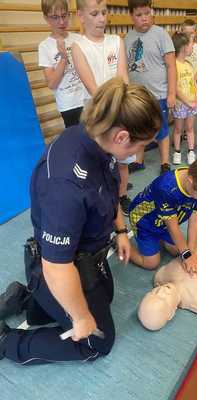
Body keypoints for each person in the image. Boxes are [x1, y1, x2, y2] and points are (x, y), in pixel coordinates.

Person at [0, 77, 162, 365]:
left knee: (106, 298)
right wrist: (81, 317)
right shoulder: (66, 185)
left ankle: (26, 301)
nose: (138, 154)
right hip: (55, 267)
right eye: (140, 146)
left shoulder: (99, 140)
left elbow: (111, 193)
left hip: (87, 256)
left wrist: (121, 230)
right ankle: (8, 341)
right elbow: (56, 266)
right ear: (122, 136)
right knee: (96, 342)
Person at [72, 0, 132, 216]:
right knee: (99, 165)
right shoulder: (78, 47)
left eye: (104, 13)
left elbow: (123, 78)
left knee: (122, 162)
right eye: (94, 13)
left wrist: (124, 112)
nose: (101, 18)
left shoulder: (116, 41)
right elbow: (94, 90)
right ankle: (101, 205)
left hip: (120, 114)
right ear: (81, 15)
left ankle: (122, 196)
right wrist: (111, 114)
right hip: (98, 117)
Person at [128, 153, 197, 273]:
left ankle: (162, 240)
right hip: (144, 221)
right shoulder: (166, 188)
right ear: (190, 181)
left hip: (164, 222)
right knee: (151, 263)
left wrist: (191, 252)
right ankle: (121, 244)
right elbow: (173, 227)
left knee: (178, 250)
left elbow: (195, 218)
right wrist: (186, 255)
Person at [125, 0, 176, 175]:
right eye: (139, 15)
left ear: (152, 12)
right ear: (131, 16)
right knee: (138, 129)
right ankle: (139, 161)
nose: (144, 18)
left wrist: (171, 93)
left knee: (161, 129)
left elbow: (171, 66)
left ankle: (164, 163)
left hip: (159, 94)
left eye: (147, 13)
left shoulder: (161, 34)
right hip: (138, 96)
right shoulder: (128, 37)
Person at [138, 243, 197, 331]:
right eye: (163, 299)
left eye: (153, 293)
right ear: (171, 314)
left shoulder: (161, 277)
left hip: (195, 248)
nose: (161, 291)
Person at [38, 0, 85, 128]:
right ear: (46, 18)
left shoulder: (78, 39)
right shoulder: (45, 47)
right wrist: (63, 59)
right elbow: (52, 83)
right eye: (55, 17)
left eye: (64, 15)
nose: (61, 22)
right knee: (77, 142)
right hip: (69, 105)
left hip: (87, 99)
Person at [171, 32, 197, 166]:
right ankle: (177, 152)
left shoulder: (189, 64)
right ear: (183, 47)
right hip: (181, 104)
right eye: (190, 44)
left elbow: (193, 83)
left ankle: (191, 151)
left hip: (191, 103)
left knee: (190, 128)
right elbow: (175, 87)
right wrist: (186, 102)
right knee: (178, 129)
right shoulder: (175, 65)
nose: (192, 47)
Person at [181, 19, 197, 85]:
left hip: (194, 81)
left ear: (195, 32)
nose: (188, 36)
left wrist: (195, 79)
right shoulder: (179, 47)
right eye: (186, 33)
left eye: (191, 33)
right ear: (182, 32)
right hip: (182, 82)